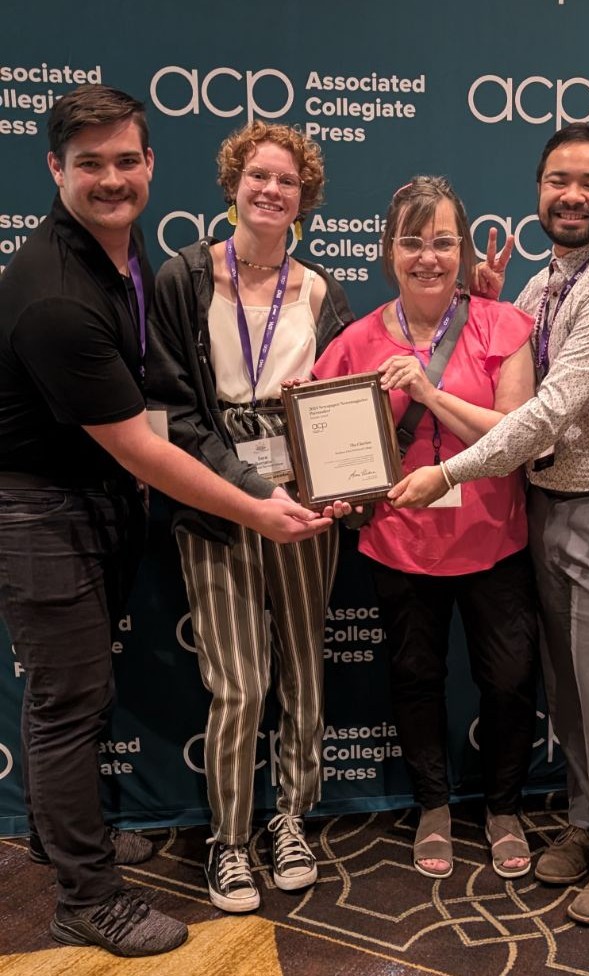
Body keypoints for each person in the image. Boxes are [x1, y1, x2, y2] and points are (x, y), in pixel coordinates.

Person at [0, 86, 335, 958]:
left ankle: (73, 840)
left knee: (89, 694)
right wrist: (255, 507)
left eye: (126, 160)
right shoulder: (64, 291)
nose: (112, 178)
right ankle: (90, 893)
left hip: (113, 501)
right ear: (54, 170)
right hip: (51, 508)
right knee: (72, 702)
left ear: (150, 164)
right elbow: (153, 439)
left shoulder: (120, 248)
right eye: (89, 164)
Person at [389, 124, 589, 924]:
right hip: (553, 506)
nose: (572, 195)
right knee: (573, 689)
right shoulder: (548, 282)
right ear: (540, 191)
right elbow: (504, 356)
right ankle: (588, 824)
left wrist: (444, 470)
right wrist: (483, 298)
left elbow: (541, 418)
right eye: (558, 180)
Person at [144, 120, 353, 913]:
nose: (272, 190)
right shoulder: (184, 277)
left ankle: (290, 819)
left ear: (306, 199)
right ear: (233, 183)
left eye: (288, 182)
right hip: (214, 496)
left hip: (301, 502)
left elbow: (342, 407)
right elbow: (171, 410)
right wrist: (245, 491)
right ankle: (230, 838)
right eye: (258, 176)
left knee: (303, 665)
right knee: (238, 682)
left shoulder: (322, 290)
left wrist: (334, 485)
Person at [312, 176, 539, 880]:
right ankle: (433, 805)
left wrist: (428, 391)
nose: (429, 257)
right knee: (415, 677)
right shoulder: (353, 342)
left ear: (462, 248)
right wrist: (335, 490)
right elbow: (324, 444)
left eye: (443, 241)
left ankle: (503, 806)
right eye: (412, 241)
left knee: (507, 679)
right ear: (389, 251)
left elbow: (516, 433)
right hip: (400, 545)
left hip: (493, 538)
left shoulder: (503, 326)